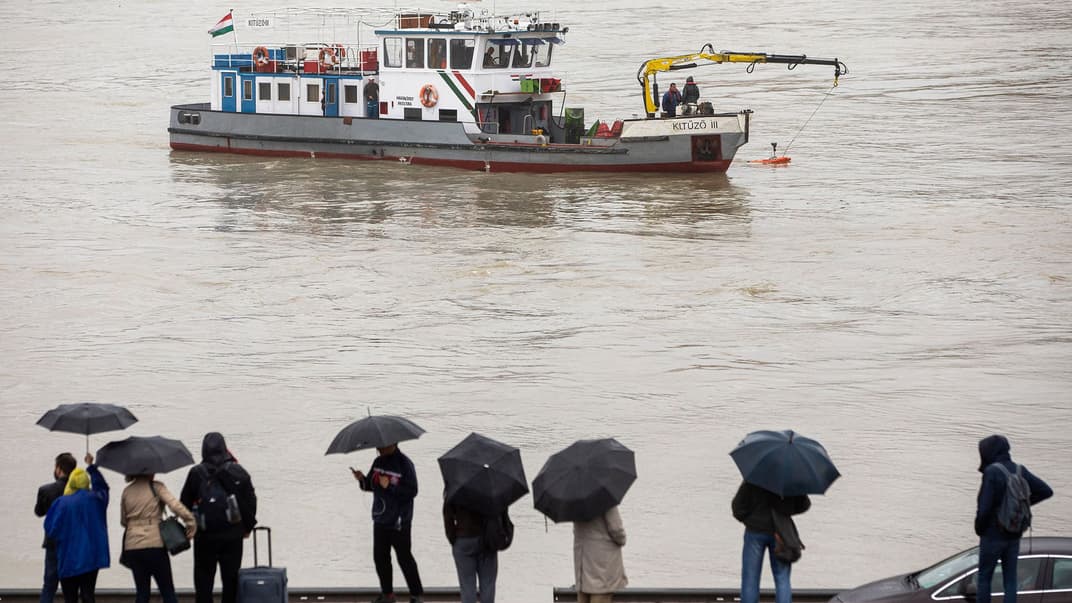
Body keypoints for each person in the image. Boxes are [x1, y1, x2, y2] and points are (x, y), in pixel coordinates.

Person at [975, 435, 1053, 603]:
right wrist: (1022, 506)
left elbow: (985, 507)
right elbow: (1046, 491)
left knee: (984, 577)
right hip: (1013, 533)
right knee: (1010, 580)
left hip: (993, 535)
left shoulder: (992, 472)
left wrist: (979, 528)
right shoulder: (1019, 470)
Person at [180, 433, 257, 603]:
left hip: (205, 536)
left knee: (203, 581)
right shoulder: (238, 471)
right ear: (224, 448)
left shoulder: (196, 473)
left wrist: (192, 525)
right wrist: (246, 528)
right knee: (230, 581)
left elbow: (184, 503)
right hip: (232, 535)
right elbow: (250, 501)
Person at [351, 443, 424, 603]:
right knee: (380, 558)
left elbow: (413, 491)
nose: (379, 448)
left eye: (383, 446)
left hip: (399, 522)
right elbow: (370, 486)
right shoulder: (378, 463)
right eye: (379, 446)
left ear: (394, 444)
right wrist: (362, 479)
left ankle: (417, 595)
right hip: (380, 519)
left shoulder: (405, 464)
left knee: (405, 558)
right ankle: (387, 595)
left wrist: (391, 485)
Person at [44, 453, 110, 603]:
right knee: (88, 595)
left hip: (68, 558)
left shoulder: (61, 503)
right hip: (91, 558)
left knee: (70, 598)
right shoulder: (97, 499)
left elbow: (51, 529)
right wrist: (91, 467)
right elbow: (103, 487)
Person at [121, 473, 197, 603]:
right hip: (155, 545)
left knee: (142, 593)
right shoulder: (156, 487)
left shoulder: (127, 491)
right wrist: (190, 521)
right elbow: (175, 506)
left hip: (133, 546)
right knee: (167, 591)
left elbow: (124, 521)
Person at [731, 481, 810, 603]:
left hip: (755, 531)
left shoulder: (754, 478)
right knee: (782, 579)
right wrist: (785, 513)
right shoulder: (790, 480)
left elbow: (737, 507)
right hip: (781, 533)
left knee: (750, 579)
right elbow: (804, 505)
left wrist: (750, 520)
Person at [35, 452, 77, 603]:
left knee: (49, 585)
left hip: (53, 542)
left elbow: (39, 512)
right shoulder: (80, 492)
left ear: (59, 469)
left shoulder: (46, 490)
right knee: (71, 588)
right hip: (73, 543)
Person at [443, 502, 496, 603]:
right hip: (487, 540)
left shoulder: (456, 488)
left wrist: (453, 539)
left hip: (463, 538)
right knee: (488, 585)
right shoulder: (493, 488)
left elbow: (447, 515)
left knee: (467, 587)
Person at [572, 506, 627, 603]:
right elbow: (617, 530)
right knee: (601, 595)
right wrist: (622, 540)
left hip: (582, 566)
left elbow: (576, 530)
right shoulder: (605, 500)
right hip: (603, 567)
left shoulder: (575, 501)